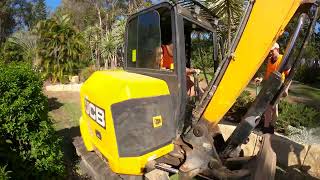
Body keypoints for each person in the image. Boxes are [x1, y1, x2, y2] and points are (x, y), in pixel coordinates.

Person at [255, 43, 291, 133]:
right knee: (272, 107)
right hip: (270, 85)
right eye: (269, 51)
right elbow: (267, 73)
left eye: (272, 50)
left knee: (270, 107)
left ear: (277, 50)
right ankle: (269, 128)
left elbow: (289, 76)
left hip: (279, 86)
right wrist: (261, 78)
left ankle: (268, 128)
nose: (270, 52)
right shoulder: (269, 59)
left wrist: (286, 89)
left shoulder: (283, 59)